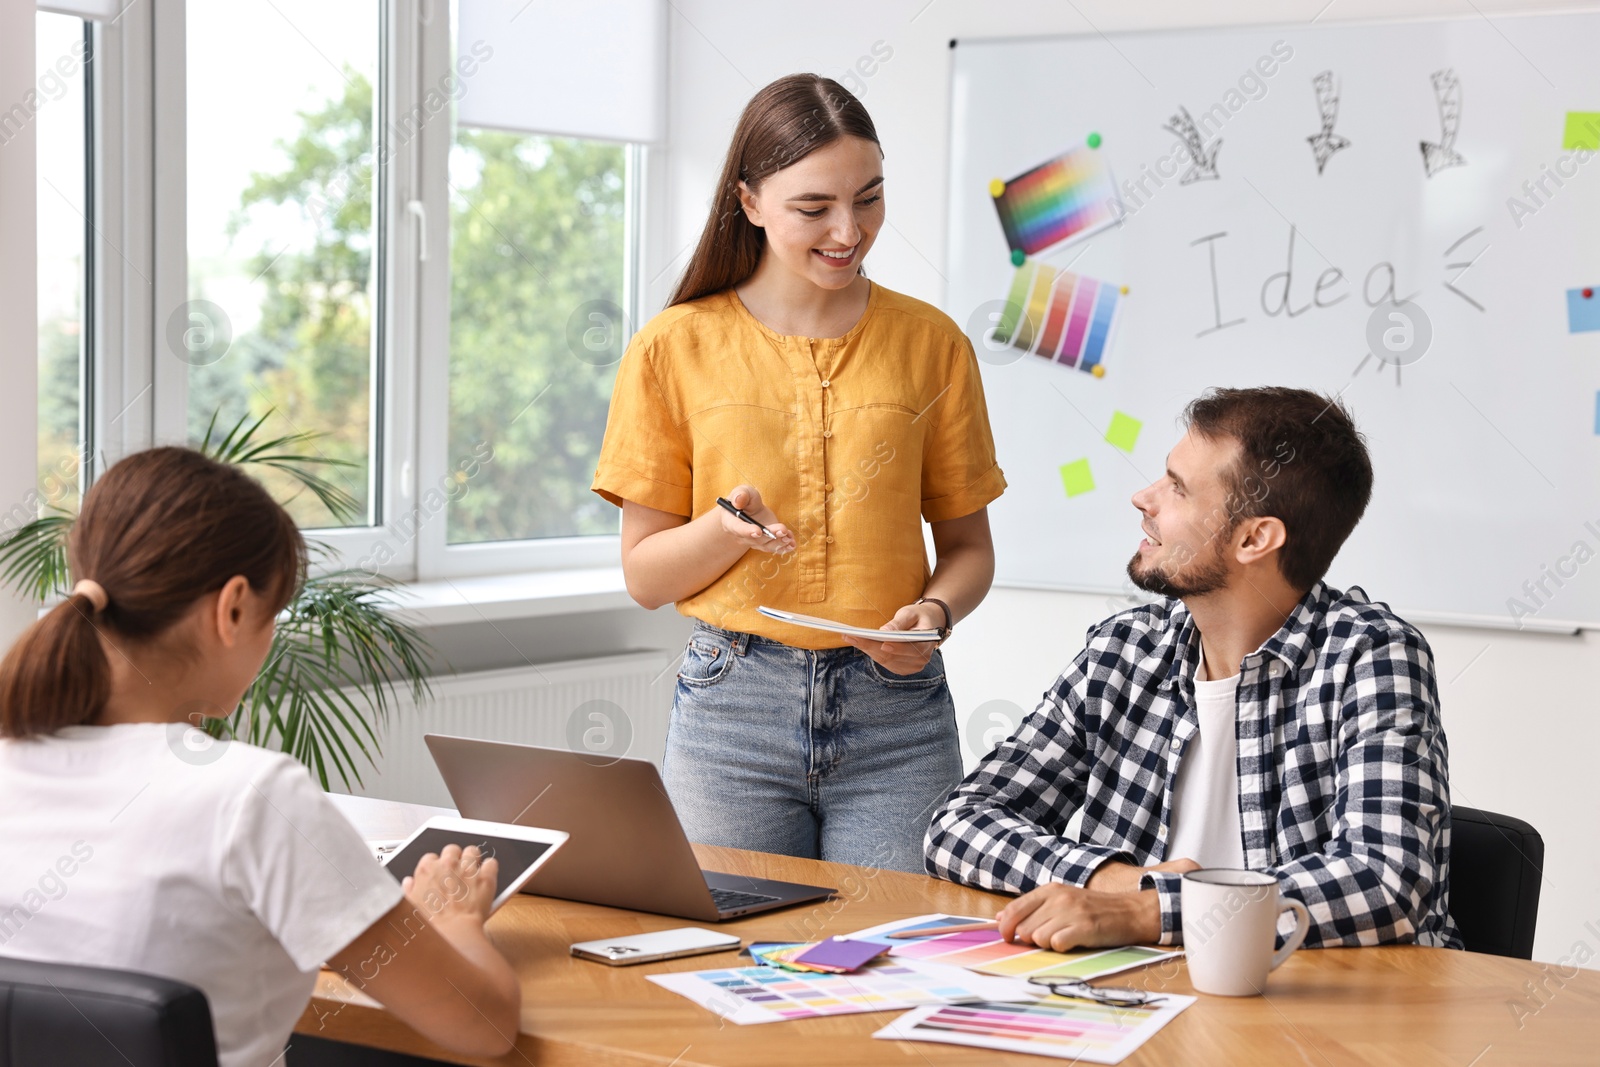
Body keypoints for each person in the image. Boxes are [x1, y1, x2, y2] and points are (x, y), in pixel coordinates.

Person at [592, 74, 1006, 874]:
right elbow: (645, 577)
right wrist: (722, 531)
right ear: (748, 201)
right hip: (731, 710)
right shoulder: (673, 347)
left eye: (870, 198)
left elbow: (970, 548)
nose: (849, 230)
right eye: (814, 208)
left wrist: (934, 611)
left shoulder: (933, 344)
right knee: (734, 962)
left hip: (898, 715)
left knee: (899, 960)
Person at [0, 448, 521, 1067]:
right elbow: (484, 1025)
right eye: (274, 615)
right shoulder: (249, 797)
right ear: (234, 608)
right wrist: (457, 918)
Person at [925, 386, 1463, 951]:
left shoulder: (1371, 657)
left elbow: (1387, 880)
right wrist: (1121, 884)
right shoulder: (1125, 650)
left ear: (1255, 537)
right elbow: (960, 824)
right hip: (1144, 997)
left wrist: (1150, 913)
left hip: (1325, 1016)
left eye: (1177, 489)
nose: (1143, 497)